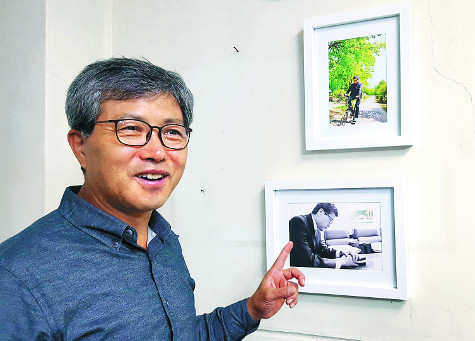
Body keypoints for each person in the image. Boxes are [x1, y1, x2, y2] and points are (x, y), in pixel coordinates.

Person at [0, 58, 305, 340]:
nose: (157, 152)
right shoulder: (15, 276)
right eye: (131, 129)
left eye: (172, 132)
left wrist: (252, 310)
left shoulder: (162, 240)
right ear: (80, 145)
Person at [289, 203, 359, 269]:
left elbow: (322, 250)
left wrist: (340, 253)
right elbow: (307, 260)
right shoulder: (298, 222)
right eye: (330, 220)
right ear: (320, 212)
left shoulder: (318, 230)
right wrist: (341, 262)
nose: (330, 224)